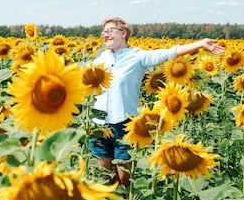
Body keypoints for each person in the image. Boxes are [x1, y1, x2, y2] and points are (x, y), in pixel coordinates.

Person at [88, 16, 226, 187]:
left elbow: (168, 53)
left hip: (124, 124)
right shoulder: (102, 58)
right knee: (103, 178)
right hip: (99, 125)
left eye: (110, 31)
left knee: (124, 179)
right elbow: (81, 72)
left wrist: (200, 44)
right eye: (103, 32)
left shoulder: (137, 57)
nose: (105, 35)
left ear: (123, 33)